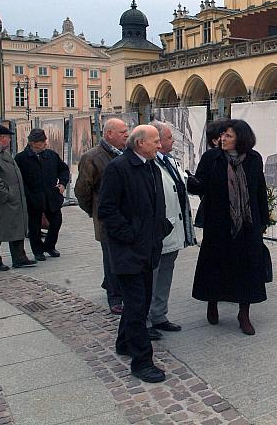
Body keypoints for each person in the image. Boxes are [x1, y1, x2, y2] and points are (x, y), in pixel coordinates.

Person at [97, 125, 171, 383]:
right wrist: (131, 236)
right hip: (128, 251)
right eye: (155, 141)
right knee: (138, 305)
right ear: (139, 143)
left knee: (138, 302)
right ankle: (142, 361)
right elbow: (106, 209)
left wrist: (160, 229)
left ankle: (124, 343)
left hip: (148, 248)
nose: (159, 145)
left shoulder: (150, 165)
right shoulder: (118, 168)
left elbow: (154, 205)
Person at [190, 119, 270, 335]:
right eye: (222, 135)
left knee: (247, 269)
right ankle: (212, 302)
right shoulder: (212, 158)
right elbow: (201, 185)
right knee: (216, 266)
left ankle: (244, 313)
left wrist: (263, 219)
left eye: (228, 136)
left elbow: (259, 190)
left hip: (247, 224)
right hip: (219, 224)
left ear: (240, 139)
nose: (222, 139)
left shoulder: (253, 159)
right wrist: (191, 183)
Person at [75, 118, 129, 315]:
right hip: (106, 219)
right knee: (111, 257)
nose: (126, 134)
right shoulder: (92, 157)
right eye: (122, 131)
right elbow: (82, 190)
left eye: (127, 131)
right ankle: (114, 297)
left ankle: (112, 285)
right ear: (109, 134)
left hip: (125, 217)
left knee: (120, 256)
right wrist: (94, 211)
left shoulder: (126, 153)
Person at [148, 121, 196, 335]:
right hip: (156, 232)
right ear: (156, 141)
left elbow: (183, 184)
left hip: (173, 229)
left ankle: (159, 315)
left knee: (166, 273)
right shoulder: (147, 164)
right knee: (151, 277)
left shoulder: (170, 161)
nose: (172, 141)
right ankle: (146, 320)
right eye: (168, 138)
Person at [0, 124, 37, 270]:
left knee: (15, 227)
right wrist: (6, 194)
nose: (10, 140)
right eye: (8, 138)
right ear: (1, 138)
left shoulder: (1, 152)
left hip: (11, 199)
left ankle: (19, 258)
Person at [14, 128, 70, 261]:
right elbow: (19, 180)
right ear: (33, 143)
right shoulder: (21, 158)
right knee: (34, 227)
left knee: (56, 221)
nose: (45, 143)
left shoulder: (50, 155)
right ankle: (37, 250)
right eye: (42, 141)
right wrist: (28, 195)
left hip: (51, 196)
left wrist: (62, 183)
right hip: (33, 197)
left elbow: (63, 170)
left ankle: (49, 246)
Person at [191, 120, 227, 229]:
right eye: (223, 135)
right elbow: (200, 184)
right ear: (215, 141)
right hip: (214, 214)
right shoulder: (209, 158)